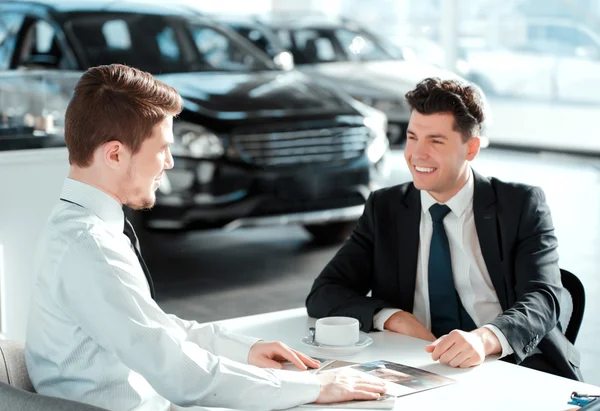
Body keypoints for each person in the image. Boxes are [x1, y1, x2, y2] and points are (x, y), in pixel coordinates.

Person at [24, 64, 386, 411]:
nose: (170, 163)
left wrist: (245, 349)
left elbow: (153, 328)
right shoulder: (91, 247)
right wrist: (314, 388)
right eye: (162, 148)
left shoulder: (82, 227)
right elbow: (183, 377)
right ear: (115, 154)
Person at [305, 77, 582, 381]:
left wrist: (484, 339)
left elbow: (544, 297)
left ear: (471, 148)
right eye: (412, 138)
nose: (417, 154)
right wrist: (393, 318)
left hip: (510, 365)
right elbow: (325, 292)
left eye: (435, 141)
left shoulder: (520, 205)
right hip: (419, 366)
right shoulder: (385, 207)